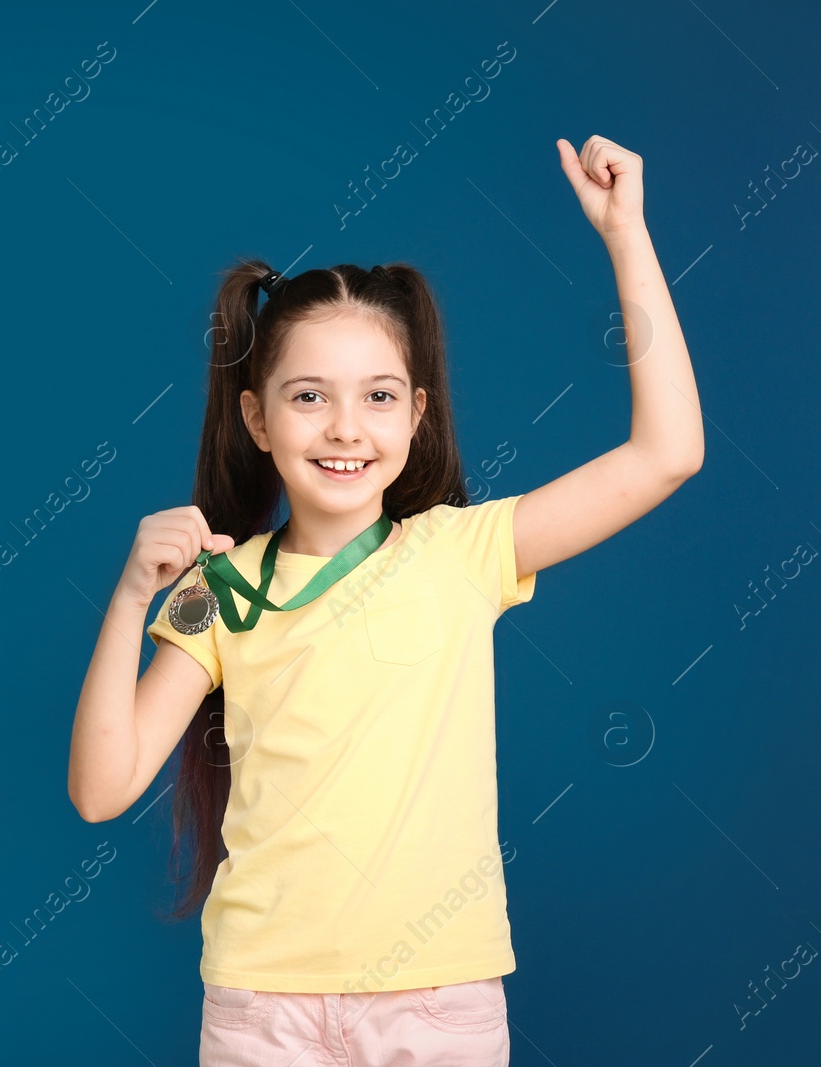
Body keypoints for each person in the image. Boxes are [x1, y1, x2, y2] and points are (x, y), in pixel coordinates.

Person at [66, 135, 704, 1065]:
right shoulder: (222, 586)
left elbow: (668, 452)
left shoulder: (464, 549)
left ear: (417, 412)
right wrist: (128, 601)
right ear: (257, 418)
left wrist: (627, 236)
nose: (344, 429)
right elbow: (100, 788)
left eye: (377, 396)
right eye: (309, 396)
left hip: (436, 1007)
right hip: (261, 1012)